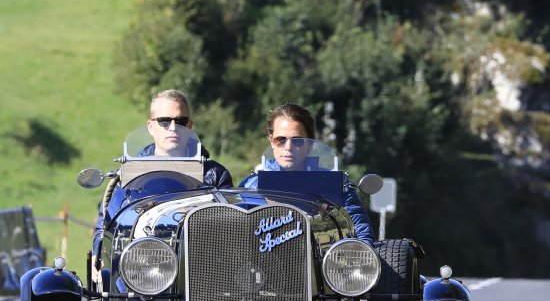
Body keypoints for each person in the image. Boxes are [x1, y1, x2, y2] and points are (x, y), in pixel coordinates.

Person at [243, 103, 375, 241]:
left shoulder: (335, 184)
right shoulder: (251, 186)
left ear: (310, 143)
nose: (288, 147)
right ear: (271, 141)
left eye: (298, 140)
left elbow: (363, 237)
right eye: (280, 139)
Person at [139, 89, 232, 188]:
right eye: (164, 121)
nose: (173, 128)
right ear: (151, 127)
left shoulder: (217, 176)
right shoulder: (131, 174)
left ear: (189, 126)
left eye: (181, 121)